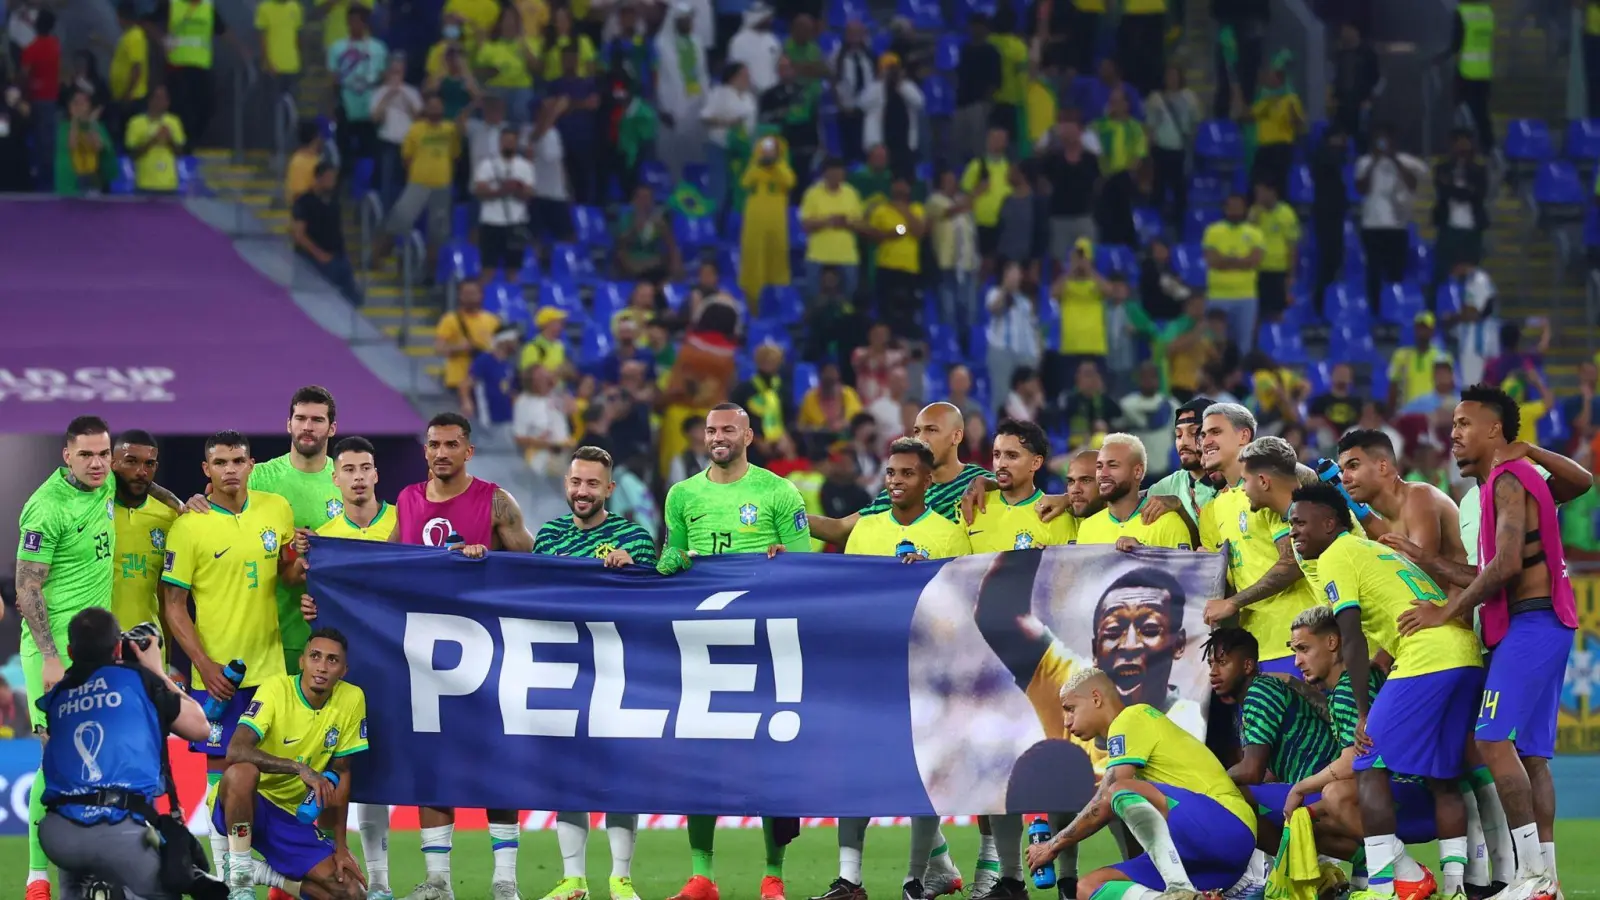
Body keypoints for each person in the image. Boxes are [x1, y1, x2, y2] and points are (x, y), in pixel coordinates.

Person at [1379, 386, 1582, 900]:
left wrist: (1445, 610)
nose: (1453, 433)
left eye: (1465, 423)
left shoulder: (1509, 479)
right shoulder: (1513, 481)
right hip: (1542, 624)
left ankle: (1530, 876)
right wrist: (1424, 560)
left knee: (1492, 740)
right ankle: (1547, 881)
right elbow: (1486, 569)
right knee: (1530, 755)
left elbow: (1506, 567)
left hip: (1529, 625)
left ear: (1495, 430)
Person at [1289, 482, 1485, 900]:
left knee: (1367, 766)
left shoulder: (1339, 554)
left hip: (1427, 659)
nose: (1294, 531)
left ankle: (1384, 886)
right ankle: (1454, 889)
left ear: (1330, 523)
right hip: (1465, 655)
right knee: (1443, 778)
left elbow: (1352, 636)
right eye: (1290, 524)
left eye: (1301, 523)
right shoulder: (1369, 549)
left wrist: (1363, 710)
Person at [17, 416, 184, 894]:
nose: (97, 464)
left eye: (102, 454)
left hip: (99, 652)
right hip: (52, 651)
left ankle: (102, 864)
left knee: (105, 761)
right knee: (55, 761)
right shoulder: (46, 508)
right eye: (85, 454)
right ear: (66, 455)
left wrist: (179, 502)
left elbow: (146, 483)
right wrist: (50, 656)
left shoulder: (107, 480)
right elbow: (27, 589)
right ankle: (36, 878)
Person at [659, 403, 813, 900]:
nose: (717, 436)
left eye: (727, 428)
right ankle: (701, 874)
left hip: (766, 645)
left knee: (767, 762)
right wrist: (672, 560)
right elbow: (668, 556)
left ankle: (773, 876)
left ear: (748, 434)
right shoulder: (682, 494)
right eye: (710, 430)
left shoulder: (777, 491)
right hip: (705, 646)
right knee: (699, 758)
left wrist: (784, 562)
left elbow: (806, 567)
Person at [383, 412, 533, 900]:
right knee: (432, 767)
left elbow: (536, 567)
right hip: (423, 657)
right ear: (425, 450)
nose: (441, 452)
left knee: (497, 766)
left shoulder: (496, 502)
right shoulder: (406, 501)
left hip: (487, 656)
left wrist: (491, 560)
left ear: (469, 451)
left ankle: (506, 880)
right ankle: (438, 883)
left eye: (451, 444)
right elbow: (382, 568)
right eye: (433, 444)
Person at [822, 437, 969, 900]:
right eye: (891, 473)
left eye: (907, 474)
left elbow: (963, 609)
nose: (897, 481)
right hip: (870, 673)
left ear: (928, 480)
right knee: (854, 772)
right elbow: (850, 599)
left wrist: (927, 579)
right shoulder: (865, 529)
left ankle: (915, 878)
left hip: (926, 674)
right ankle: (850, 880)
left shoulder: (949, 533)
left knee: (921, 778)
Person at [159, 431, 302, 873]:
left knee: (276, 774)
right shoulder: (188, 526)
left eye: (238, 460)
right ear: (207, 470)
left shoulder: (275, 509)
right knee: (220, 772)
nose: (230, 470)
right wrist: (203, 664)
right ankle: (227, 872)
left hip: (272, 669)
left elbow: (288, 572)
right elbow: (173, 605)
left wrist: (308, 559)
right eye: (220, 462)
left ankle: (277, 870)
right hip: (218, 676)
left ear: (251, 464)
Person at [1024, 668, 1257, 899]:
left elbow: (1107, 798)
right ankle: (1180, 897)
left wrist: (1052, 846)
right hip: (1201, 861)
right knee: (1089, 887)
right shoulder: (1128, 745)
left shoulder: (1131, 717)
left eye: (1070, 709)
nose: (1066, 722)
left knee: (1119, 791)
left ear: (1096, 698)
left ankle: (1179, 888)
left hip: (1225, 829)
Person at [35, 607, 212, 900]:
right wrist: (156, 671)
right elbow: (200, 728)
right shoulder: (138, 679)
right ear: (118, 647)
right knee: (164, 891)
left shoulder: (58, 695)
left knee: (79, 881)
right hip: (116, 829)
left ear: (70, 650)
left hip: (58, 834)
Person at [214, 628, 367, 900]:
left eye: (332, 660)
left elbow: (341, 773)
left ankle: (267, 875)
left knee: (351, 892)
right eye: (315, 656)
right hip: (249, 803)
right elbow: (235, 750)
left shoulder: (352, 698)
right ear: (302, 662)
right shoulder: (276, 689)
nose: (321, 666)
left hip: (292, 817)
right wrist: (299, 768)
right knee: (242, 772)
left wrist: (341, 846)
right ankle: (240, 876)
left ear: (343, 670)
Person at [1194, 408, 1320, 677]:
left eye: (1215, 432)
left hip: (1296, 642)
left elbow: (1293, 561)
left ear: (1244, 436)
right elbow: (1229, 589)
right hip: (1252, 651)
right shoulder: (1213, 511)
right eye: (1202, 435)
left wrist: (1234, 602)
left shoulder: (1267, 488)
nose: (1205, 441)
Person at [1201, 627, 1339, 834]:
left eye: (1222, 663)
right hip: (1312, 788)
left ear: (1247, 665)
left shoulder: (1260, 693)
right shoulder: (1254, 695)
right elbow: (1268, 772)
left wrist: (1205, 783)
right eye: (1211, 664)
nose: (1213, 672)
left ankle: (1330, 855)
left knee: (1231, 796)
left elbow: (1251, 771)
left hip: (1322, 790)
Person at [809, 403, 989, 546]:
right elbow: (841, 529)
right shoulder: (901, 489)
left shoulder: (981, 482)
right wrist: (786, 516)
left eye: (931, 430)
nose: (921, 439)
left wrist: (989, 483)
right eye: (917, 431)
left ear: (956, 437)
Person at [1332, 429, 1468, 565]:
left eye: (1353, 466)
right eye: (1342, 471)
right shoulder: (1385, 518)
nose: (1345, 479)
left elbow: (1421, 573)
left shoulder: (1419, 497)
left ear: (1382, 467)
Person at [110, 430, 180, 647]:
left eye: (149, 464)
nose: (141, 471)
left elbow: (168, 596)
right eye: (131, 462)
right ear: (112, 464)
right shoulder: (93, 511)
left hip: (148, 647)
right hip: (98, 647)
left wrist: (165, 661)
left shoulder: (168, 517)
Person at [967, 419, 1077, 551]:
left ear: (1035, 463)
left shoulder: (1056, 517)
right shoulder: (973, 506)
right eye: (996, 455)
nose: (1001, 464)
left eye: (1012, 456)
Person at [1075, 433, 1194, 549]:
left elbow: (1184, 569)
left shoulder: (1169, 523)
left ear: (1137, 472)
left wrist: (1143, 553)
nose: (1103, 474)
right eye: (1099, 466)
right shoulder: (1087, 528)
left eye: (1113, 466)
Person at [1202, 193, 1264, 355]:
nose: (1235, 210)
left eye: (1239, 207)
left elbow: (1254, 261)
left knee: (1244, 345)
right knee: (1214, 343)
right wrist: (1241, 261)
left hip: (1246, 296)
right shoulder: (1212, 231)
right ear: (1225, 208)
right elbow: (1213, 261)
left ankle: (1240, 378)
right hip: (1218, 296)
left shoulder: (1255, 233)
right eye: (1232, 207)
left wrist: (1227, 261)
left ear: (1245, 209)